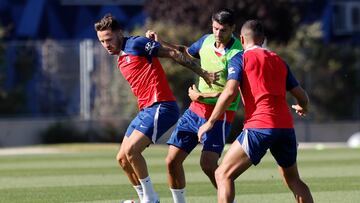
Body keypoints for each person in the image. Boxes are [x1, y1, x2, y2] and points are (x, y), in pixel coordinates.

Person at [94, 14, 215, 203]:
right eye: (102, 41)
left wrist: (202, 73)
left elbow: (174, 54)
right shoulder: (120, 58)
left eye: (108, 39)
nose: (106, 44)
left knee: (132, 150)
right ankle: (144, 197)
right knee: (122, 159)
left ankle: (150, 198)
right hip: (146, 111)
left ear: (119, 33)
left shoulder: (135, 44)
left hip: (162, 106)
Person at [198, 19, 314, 203]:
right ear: (263, 39)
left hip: (259, 126)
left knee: (222, 174)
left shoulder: (240, 58)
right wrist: (303, 107)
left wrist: (210, 122)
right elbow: (302, 96)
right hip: (285, 127)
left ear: (242, 39)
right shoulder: (279, 60)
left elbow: (229, 92)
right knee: (293, 179)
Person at [146, 9, 242, 203]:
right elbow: (185, 52)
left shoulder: (237, 54)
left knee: (207, 164)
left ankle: (227, 200)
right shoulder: (206, 41)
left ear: (232, 29)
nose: (217, 33)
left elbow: (232, 93)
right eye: (215, 28)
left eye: (222, 30)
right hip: (195, 111)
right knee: (172, 161)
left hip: (220, 114)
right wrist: (161, 41)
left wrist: (201, 95)